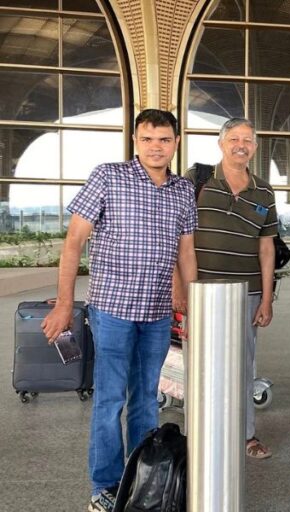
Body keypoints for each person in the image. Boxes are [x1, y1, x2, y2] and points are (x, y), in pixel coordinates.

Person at [40, 109, 198, 512]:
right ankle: (104, 487)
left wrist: (192, 308)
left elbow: (186, 253)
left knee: (146, 398)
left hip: (157, 313)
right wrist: (63, 305)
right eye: (147, 139)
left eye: (163, 139)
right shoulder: (108, 176)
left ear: (175, 143)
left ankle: (142, 480)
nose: (155, 147)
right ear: (135, 140)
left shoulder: (183, 190)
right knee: (110, 400)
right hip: (112, 310)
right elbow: (74, 242)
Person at [182, 117, 278, 460]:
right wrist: (185, 294)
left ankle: (247, 435)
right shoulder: (197, 180)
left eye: (248, 140)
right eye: (234, 138)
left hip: (247, 293)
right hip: (203, 292)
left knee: (244, 367)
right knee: (198, 367)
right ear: (221, 143)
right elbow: (183, 241)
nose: (241, 145)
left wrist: (267, 298)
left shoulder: (264, 191)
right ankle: (196, 437)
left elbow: (267, 249)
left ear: (254, 147)